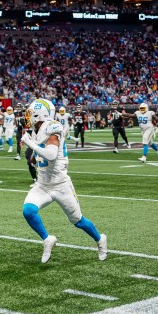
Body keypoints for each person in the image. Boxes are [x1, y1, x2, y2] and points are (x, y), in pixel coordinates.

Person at [20, 98, 107, 263]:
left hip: (61, 185)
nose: (28, 116)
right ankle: (47, 239)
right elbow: (39, 154)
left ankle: (99, 239)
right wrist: (33, 157)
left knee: (78, 221)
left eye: (31, 113)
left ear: (40, 114)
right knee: (28, 211)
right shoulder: (36, 130)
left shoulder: (52, 127)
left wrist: (30, 143)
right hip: (43, 184)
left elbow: (52, 155)